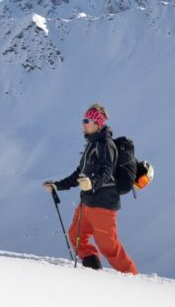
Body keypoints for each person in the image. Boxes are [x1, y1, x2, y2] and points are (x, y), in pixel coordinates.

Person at [43, 104, 137, 274]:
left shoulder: (105, 144)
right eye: (83, 120)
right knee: (76, 236)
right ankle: (93, 274)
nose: (84, 123)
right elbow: (79, 174)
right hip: (87, 202)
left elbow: (106, 170)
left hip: (103, 205)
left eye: (87, 120)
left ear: (97, 124)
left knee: (109, 247)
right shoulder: (92, 145)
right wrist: (57, 185)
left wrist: (92, 183)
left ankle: (134, 279)